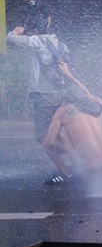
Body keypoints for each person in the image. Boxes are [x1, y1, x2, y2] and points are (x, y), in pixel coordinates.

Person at [6, 15, 75, 185]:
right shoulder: (60, 44)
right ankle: (78, 165)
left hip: (44, 96)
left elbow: (11, 39)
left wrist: (16, 31)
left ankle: (65, 172)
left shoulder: (37, 40)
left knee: (43, 138)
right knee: (56, 131)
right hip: (61, 94)